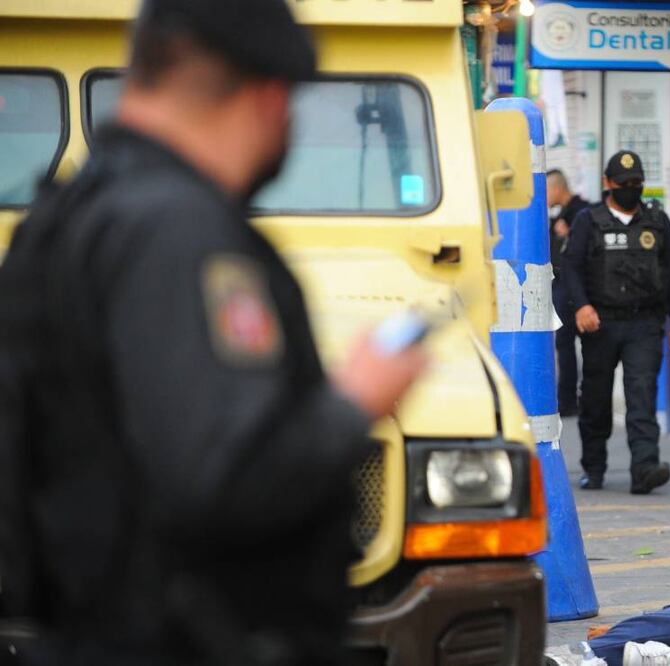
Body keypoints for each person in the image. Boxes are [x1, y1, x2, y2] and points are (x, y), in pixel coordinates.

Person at [0, 0, 425, 663]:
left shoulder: (67, 219)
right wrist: (354, 401)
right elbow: (225, 479)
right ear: (268, 98)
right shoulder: (178, 231)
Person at [562, 150, 670, 494]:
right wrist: (581, 307)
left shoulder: (657, 222)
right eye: (623, 183)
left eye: (636, 182)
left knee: (642, 396)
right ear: (607, 183)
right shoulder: (589, 220)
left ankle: (645, 469)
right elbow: (571, 267)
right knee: (595, 400)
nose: (630, 188)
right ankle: (594, 468)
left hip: (644, 324)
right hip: (600, 324)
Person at [546, 169, 590, 417]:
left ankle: (575, 400)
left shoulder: (582, 212)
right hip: (561, 286)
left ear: (557, 188)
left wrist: (569, 233)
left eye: (546, 190)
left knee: (579, 344)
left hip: (577, 288)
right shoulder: (559, 214)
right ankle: (567, 399)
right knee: (564, 343)